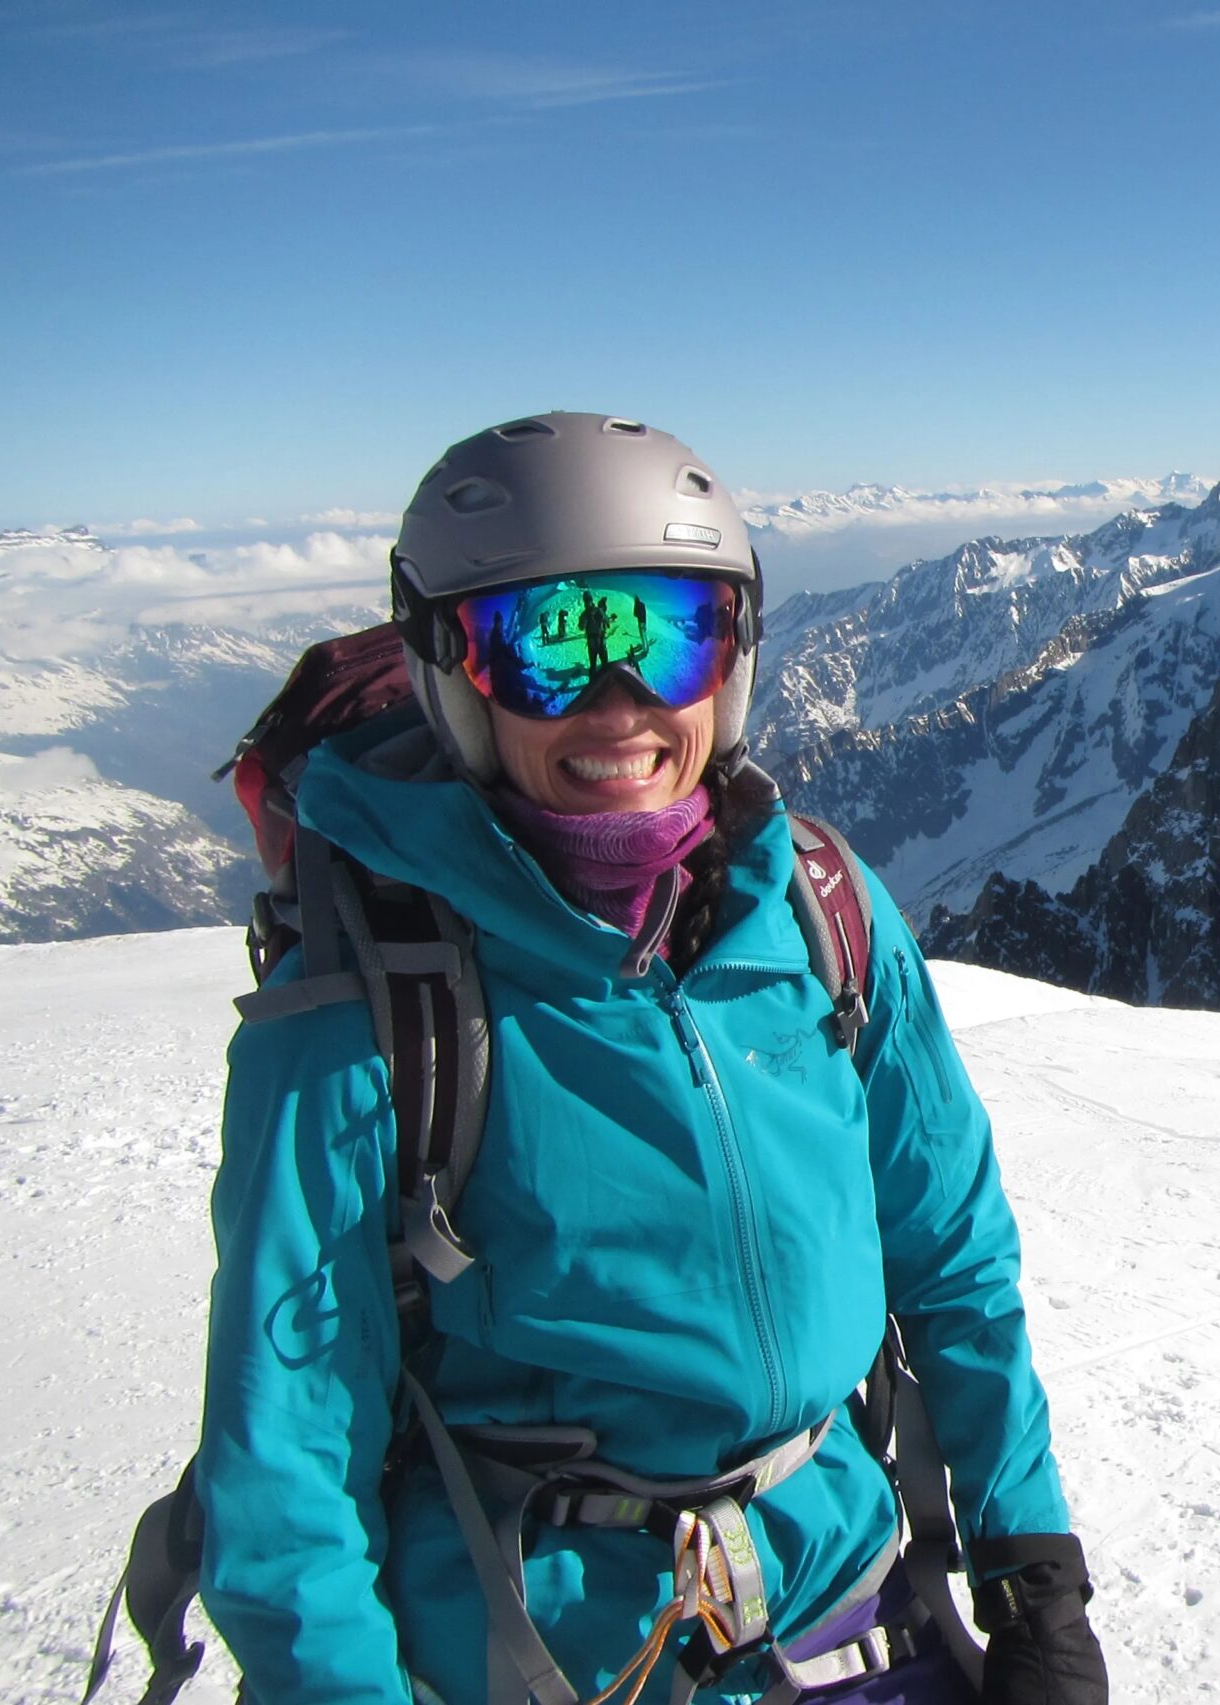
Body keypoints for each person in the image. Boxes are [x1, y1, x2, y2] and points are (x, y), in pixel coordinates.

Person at [194, 413, 1109, 1705]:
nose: (619, 699)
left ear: (730, 658)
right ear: (456, 672)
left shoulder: (823, 912)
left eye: (670, 632)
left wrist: (1032, 1575)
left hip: (848, 1618)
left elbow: (952, 1255)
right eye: (549, 644)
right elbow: (284, 1473)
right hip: (548, 1664)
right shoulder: (368, 1014)